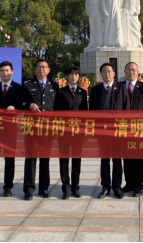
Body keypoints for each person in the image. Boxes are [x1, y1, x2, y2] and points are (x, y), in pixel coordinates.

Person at [0, 61, 34, 199]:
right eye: (2, 71)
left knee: (9, 160)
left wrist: (15, 108)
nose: (4, 73)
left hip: (11, 128)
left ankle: (8, 187)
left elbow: (24, 104)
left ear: (12, 72)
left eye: (7, 70)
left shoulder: (19, 88)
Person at [89, 63, 130, 199]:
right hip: (102, 132)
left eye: (109, 71)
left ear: (114, 74)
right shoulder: (95, 90)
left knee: (117, 160)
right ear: (100, 74)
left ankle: (117, 187)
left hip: (118, 131)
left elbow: (126, 109)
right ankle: (105, 187)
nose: (107, 74)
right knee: (104, 160)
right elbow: (92, 112)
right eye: (104, 71)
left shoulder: (121, 88)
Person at [23, 59, 59, 200]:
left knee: (45, 159)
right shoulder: (27, 85)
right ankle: (29, 189)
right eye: (38, 67)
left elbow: (57, 107)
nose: (41, 69)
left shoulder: (54, 86)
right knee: (30, 159)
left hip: (47, 129)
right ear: (35, 69)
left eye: (44, 67)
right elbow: (20, 102)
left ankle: (44, 188)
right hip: (31, 128)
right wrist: (29, 105)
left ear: (49, 69)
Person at [55, 66, 88, 200]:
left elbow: (85, 113)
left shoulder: (82, 92)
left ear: (79, 77)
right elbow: (57, 113)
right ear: (67, 76)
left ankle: (75, 188)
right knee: (63, 161)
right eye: (71, 74)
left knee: (76, 161)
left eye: (76, 74)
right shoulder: (61, 92)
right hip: (64, 132)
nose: (73, 76)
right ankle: (66, 188)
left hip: (78, 132)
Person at [122, 62, 143, 197]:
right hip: (124, 128)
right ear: (124, 71)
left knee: (138, 159)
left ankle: (138, 186)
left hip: (139, 129)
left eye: (133, 70)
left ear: (138, 72)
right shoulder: (120, 87)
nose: (131, 72)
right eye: (128, 70)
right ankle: (129, 184)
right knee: (126, 159)